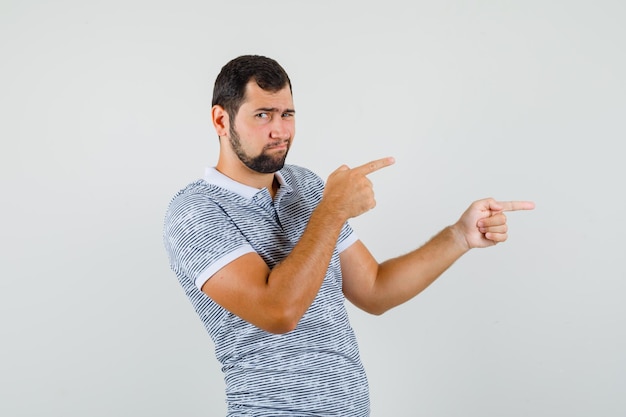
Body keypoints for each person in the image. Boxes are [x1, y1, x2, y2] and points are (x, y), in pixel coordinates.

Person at [163, 54, 535, 416]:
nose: (280, 131)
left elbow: (374, 290)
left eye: (287, 114)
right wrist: (332, 210)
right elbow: (278, 312)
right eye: (262, 115)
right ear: (220, 120)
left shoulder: (305, 186)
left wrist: (459, 237)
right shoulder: (196, 209)